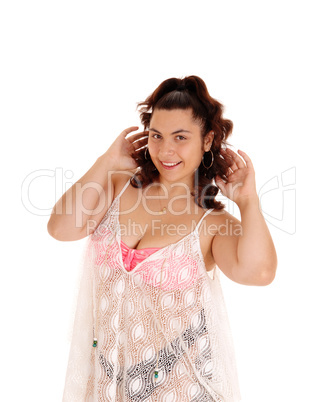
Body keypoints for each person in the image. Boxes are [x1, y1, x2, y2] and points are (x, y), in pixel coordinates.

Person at [47, 75, 277, 402]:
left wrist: (249, 202)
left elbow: (259, 273)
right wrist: (106, 162)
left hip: (182, 391)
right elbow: (61, 228)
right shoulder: (117, 188)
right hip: (102, 390)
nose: (166, 150)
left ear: (207, 139)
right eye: (157, 136)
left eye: (180, 137)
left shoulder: (210, 224)